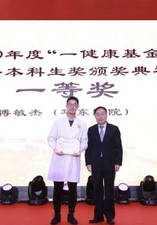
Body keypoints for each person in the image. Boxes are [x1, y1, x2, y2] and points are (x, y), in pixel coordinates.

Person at [47, 96, 88, 225]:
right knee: (57, 189)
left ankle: (71, 214)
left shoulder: (82, 124)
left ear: (78, 107)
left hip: (73, 159)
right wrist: (56, 148)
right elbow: (51, 138)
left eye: (74, 104)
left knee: (72, 189)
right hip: (59, 158)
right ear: (66, 106)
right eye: (70, 104)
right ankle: (57, 214)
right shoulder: (58, 122)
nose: (72, 106)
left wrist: (79, 150)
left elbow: (85, 141)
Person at [85, 106, 123, 224]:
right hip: (95, 164)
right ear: (95, 116)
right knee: (97, 190)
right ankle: (98, 215)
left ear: (106, 115)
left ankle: (110, 216)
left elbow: (119, 147)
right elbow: (88, 148)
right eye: (98, 114)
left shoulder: (114, 129)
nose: (100, 116)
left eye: (102, 114)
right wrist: (88, 162)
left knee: (109, 190)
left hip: (110, 164)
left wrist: (118, 162)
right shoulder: (91, 130)